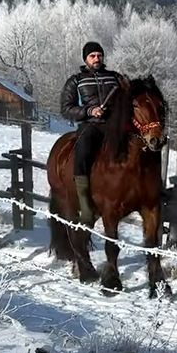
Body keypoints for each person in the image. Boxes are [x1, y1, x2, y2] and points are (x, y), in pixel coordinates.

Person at [60, 41, 123, 224]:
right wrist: (89, 111)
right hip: (91, 125)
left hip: (114, 126)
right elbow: (66, 109)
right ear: (85, 59)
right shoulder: (76, 81)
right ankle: (85, 205)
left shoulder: (115, 78)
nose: (97, 58)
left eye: (99, 55)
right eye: (92, 56)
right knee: (82, 150)